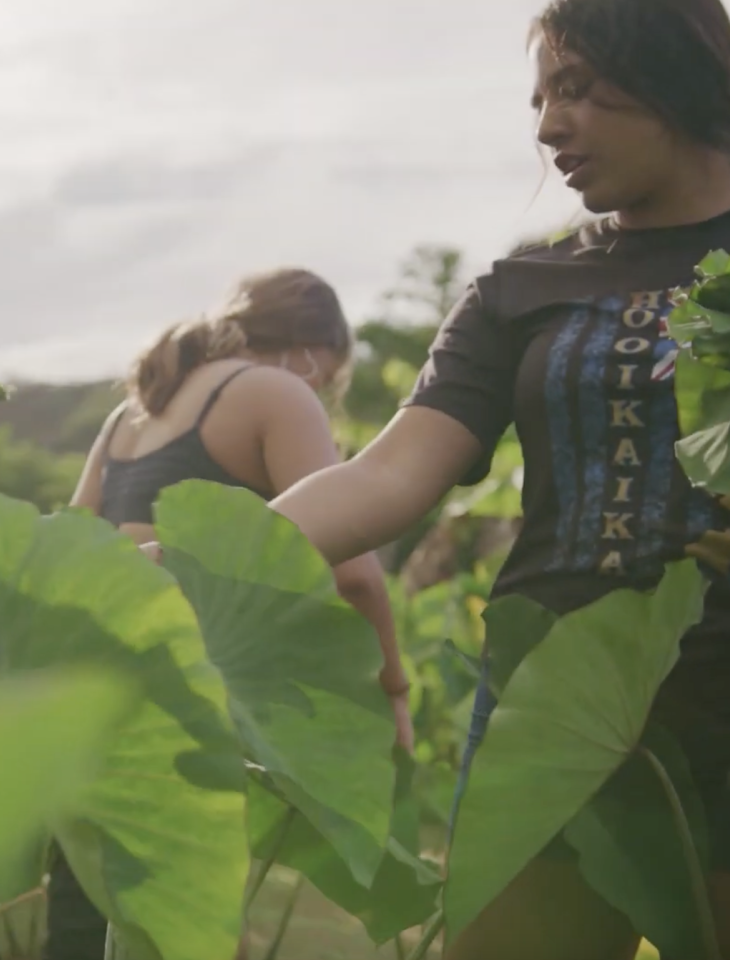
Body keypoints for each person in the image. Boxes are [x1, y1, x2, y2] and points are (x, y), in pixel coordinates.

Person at [171, 1, 730, 956]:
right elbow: (386, 475)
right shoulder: (520, 290)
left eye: (578, 91)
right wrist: (193, 557)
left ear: (674, 75)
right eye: (541, 98)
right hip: (550, 703)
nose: (547, 127)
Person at [44, 267, 414, 960]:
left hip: (92, 688)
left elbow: (74, 543)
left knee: (96, 921)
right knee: (191, 925)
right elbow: (353, 571)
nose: (322, 393)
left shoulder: (130, 413)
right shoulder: (276, 391)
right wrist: (391, 693)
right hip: (181, 694)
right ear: (311, 351)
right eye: (328, 379)